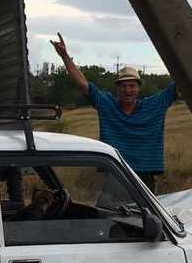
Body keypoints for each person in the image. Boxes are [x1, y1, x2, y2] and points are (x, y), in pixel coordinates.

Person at [50, 33, 177, 192]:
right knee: (112, 215)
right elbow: (83, 83)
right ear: (117, 88)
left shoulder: (154, 105)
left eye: (132, 85)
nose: (128, 90)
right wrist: (65, 56)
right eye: (123, 86)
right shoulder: (107, 104)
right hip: (116, 174)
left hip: (145, 175)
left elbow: (181, 83)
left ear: (138, 88)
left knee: (146, 216)